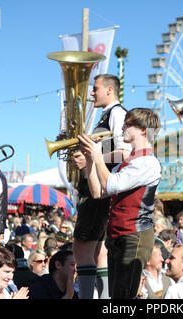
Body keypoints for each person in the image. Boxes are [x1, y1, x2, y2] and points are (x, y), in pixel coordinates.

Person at [78, 107, 161, 299]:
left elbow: (112, 184)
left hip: (134, 236)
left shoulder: (148, 162)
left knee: (123, 297)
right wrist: (90, 160)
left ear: (142, 129)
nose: (122, 127)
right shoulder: (128, 162)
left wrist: (98, 156)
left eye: (128, 124)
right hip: (118, 236)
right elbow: (98, 191)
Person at [71, 74, 131, 299]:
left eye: (95, 89)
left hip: (101, 189)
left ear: (109, 90)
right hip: (98, 188)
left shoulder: (117, 113)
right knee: (96, 250)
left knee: (82, 248)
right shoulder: (107, 115)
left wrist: (91, 158)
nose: (92, 93)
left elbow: (125, 153)